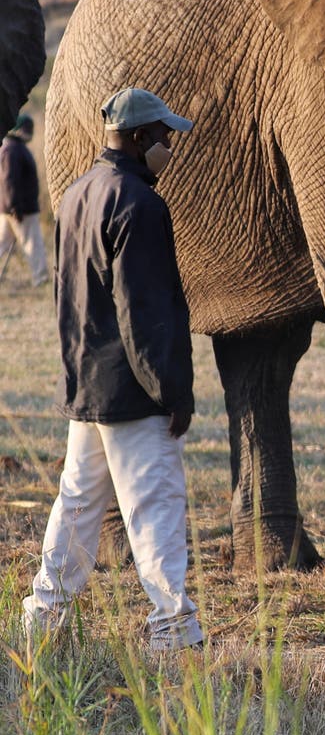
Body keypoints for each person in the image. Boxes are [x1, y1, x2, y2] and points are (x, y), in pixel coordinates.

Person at [23, 88, 203, 653]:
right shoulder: (141, 204)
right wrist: (171, 391)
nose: (170, 147)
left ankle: (41, 621)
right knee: (156, 509)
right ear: (142, 138)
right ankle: (173, 634)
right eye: (165, 137)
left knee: (76, 507)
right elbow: (143, 312)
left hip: (86, 387)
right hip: (133, 393)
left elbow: (68, 298)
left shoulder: (76, 194)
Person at [0, 113, 49, 286]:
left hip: (12, 208)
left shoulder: (12, 147)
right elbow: (9, 180)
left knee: (2, 243)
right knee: (33, 244)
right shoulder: (12, 149)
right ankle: (41, 278)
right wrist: (15, 207)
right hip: (21, 210)